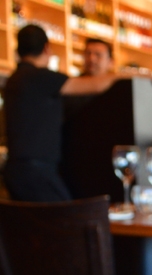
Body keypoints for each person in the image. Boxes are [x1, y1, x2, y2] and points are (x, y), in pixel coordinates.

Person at [3, 25, 119, 201]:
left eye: (98, 55)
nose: (92, 59)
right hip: (38, 171)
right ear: (46, 49)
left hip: (17, 169)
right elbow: (97, 85)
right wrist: (134, 77)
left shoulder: (14, 79)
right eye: (88, 53)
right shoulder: (43, 77)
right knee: (68, 222)